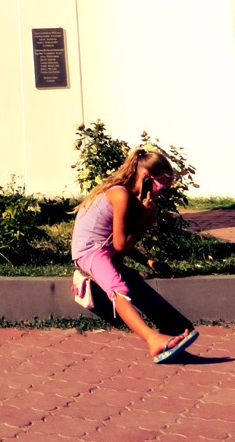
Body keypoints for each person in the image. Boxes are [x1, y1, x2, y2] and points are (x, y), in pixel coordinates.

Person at [71, 146, 199, 363]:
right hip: (89, 252)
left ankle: (173, 329)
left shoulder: (131, 197)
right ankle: (152, 340)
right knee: (119, 289)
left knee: (133, 283)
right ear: (146, 177)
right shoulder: (120, 194)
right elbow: (120, 244)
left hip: (105, 249)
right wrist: (145, 217)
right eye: (161, 185)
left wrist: (148, 261)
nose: (162, 191)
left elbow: (118, 241)